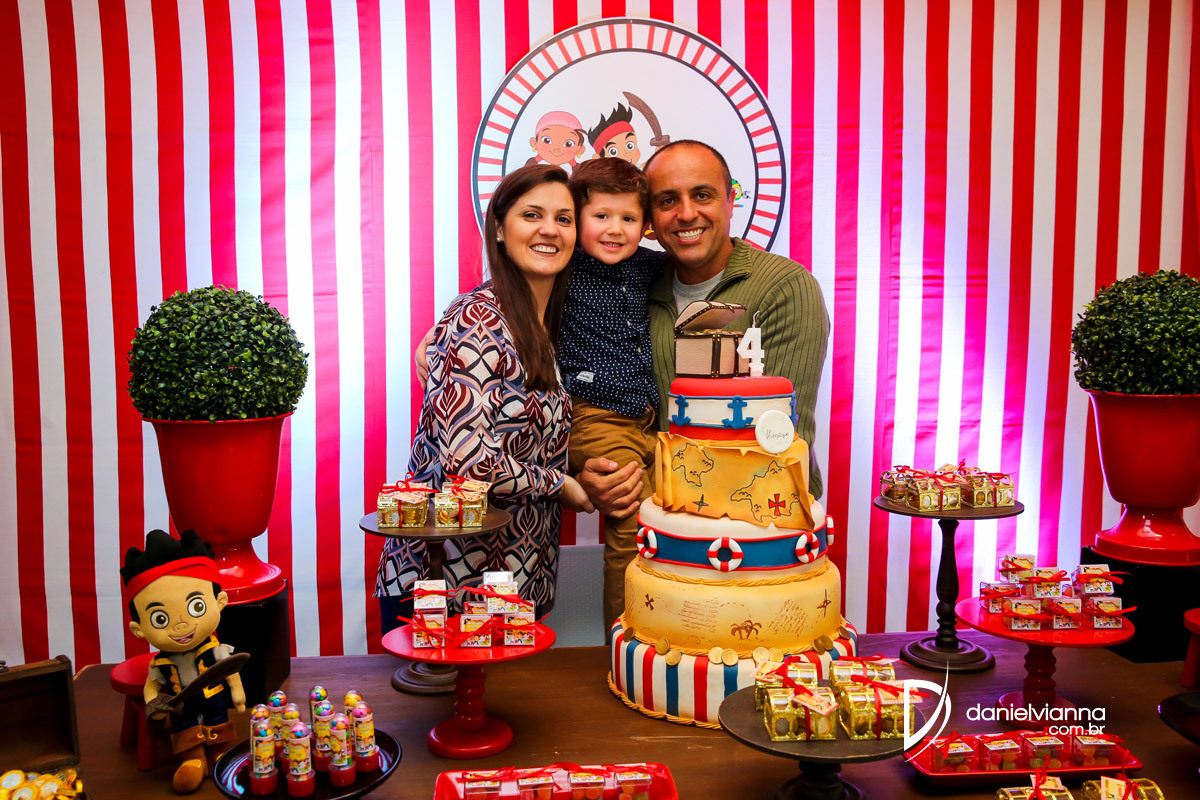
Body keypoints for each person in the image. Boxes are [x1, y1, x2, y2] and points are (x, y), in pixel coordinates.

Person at [375, 164, 594, 631]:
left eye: (564, 218)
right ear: (498, 228)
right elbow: (469, 460)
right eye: (532, 215)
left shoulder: (545, 325)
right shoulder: (477, 320)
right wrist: (560, 485)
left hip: (517, 579)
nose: (549, 230)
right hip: (447, 586)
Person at [577, 140, 829, 529]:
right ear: (649, 218)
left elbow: (781, 437)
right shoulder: (633, 283)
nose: (686, 213)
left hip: (760, 522)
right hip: (659, 521)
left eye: (702, 195)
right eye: (667, 201)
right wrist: (591, 470)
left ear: (731, 200)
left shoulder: (784, 287)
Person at [559, 157, 667, 632]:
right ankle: (624, 648)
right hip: (596, 414)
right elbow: (499, 292)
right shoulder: (562, 265)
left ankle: (669, 637)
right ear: (576, 217)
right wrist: (438, 332)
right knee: (630, 529)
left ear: (645, 225)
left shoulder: (649, 265)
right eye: (601, 216)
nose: (615, 229)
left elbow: (699, 260)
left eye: (628, 218)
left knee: (666, 525)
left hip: (649, 417)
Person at [121, 529, 246, 794]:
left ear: (220, 602)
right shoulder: (161, 663)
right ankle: (193, 759)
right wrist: (153, 704)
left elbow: (230, 670)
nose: (181, 626)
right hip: (182, 706)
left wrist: (238, 693)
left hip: (214, 701)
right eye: (160, 619)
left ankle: (219, 754)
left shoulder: (215, 649)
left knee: (218, 722)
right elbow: (152, 685)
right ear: (138, 629)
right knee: (185, 728)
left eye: (196, 607)